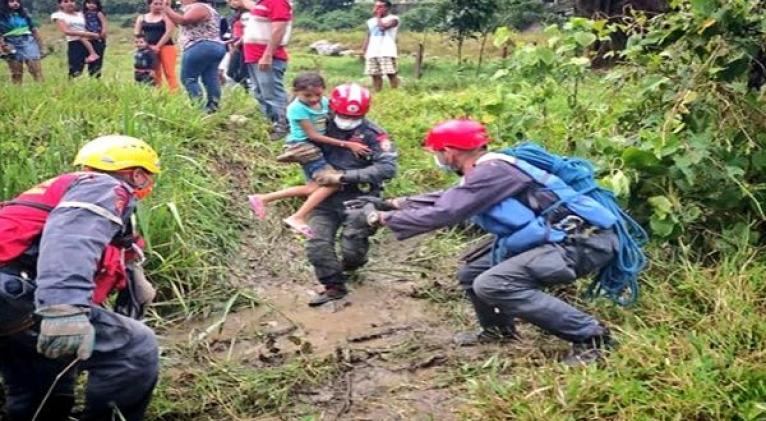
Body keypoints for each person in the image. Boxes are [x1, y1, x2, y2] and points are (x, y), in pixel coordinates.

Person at [345, 119, 632, 364]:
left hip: (580, 244)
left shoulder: (491, 172)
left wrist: (378, 219)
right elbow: (450, 198)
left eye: (437, 152)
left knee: (492, 283)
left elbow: (446, 211)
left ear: (450, 152)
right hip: (563, 237)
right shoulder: (488, 169)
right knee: (472, 273)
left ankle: (592, 337)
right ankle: (498, 331)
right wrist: (392, 204)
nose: (437, 158)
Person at [0, 135, 161, 420]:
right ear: (137, 175)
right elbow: (71, 238)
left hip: (13, 299)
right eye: (147, 178)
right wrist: (64, 308)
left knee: (42, 384)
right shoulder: (103, 186)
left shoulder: (61, 192)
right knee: (134, 349)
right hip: (14, 291)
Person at [302, 82, 398, 306]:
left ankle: (353, 265)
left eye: (353, 116)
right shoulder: (318, 126)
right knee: (317, 245)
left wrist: (344, 176)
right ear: (332, 108)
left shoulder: (374, 135)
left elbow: (387, 169)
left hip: (359, 198)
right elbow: (297, 139)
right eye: (343, 115)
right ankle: (333, 286)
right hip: (323, 199)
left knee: (352, 248)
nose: (347, 120)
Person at [248, 73, 371, 237]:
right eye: (307, 95)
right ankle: (297, 217)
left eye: (318, 95)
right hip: (304, 147)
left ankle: (262, 198)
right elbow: (313, 135)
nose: (313, 99)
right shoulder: (296, 108)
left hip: (316, 147)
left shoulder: (325, 102)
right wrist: (348, 144)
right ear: (296, 92)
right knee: (333, 182)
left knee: (313, 187)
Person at [235, 0, 292, 140]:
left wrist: (268, 55)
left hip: (266, 57)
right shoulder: (263, 3)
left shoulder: (276, 1)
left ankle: (283, 127)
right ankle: (271, 123)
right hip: (254, 57)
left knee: (272, 94)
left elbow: (279, 28)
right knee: (259, 92)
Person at [163, 0, 226, 113]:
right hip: (212, 46)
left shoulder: (199, 7)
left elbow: (184, 21)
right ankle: (213, 107)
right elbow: (180, 22)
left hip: (200, 46)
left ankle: (199, 109)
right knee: (210, 78)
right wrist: (169, 12)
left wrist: (167, 9)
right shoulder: (204, 8)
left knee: (188, 78)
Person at [50, 0, 103, 78]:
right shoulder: (58, 15)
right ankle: (71, 87)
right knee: (75, 69)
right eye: (65, 1)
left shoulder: (81, 14)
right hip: (75, 42)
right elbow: (66, 31)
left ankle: (96, 87)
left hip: (92, 41)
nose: (69, 3)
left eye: (72, 1)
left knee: (95, 69)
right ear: (60, 4)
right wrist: (86, 34)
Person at [134, 0, 179, 91]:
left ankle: (174, 93)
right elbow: (137, 32)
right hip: (148, 49)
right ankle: (158, 93)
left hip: (167, 47)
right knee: (154, 72)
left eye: (160, 4)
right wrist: (144, 45)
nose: (158, 6)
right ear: (150, 4)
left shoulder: (166, 17)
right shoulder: (142, 18)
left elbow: (169, 32)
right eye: (155, 4)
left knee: (169, 72)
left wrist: (158, 46)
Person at [0, 0, 44, 83]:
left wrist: (40, 45)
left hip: (28, 40)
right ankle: (17, 93)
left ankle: (43, 89)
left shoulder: (24, 15)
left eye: (17, 1)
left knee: (35, 68)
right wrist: (3, 45)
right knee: (17, 72)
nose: (16, 3)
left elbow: (34, 30)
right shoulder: (2, 17)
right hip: (10, 42)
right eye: (12, 1)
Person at [362, 0, 399, 92]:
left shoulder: (394, 19)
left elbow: (382, 28)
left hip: (386, 51)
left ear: (387, 8)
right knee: (374, 74)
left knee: (390, 73)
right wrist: (364, 49)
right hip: (373, 51)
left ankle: (395, 93)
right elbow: (368, 35)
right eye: (376, 7)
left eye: (380, 7)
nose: (377, 9)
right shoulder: (370, 21)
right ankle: (378, 93)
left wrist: (378, 16)